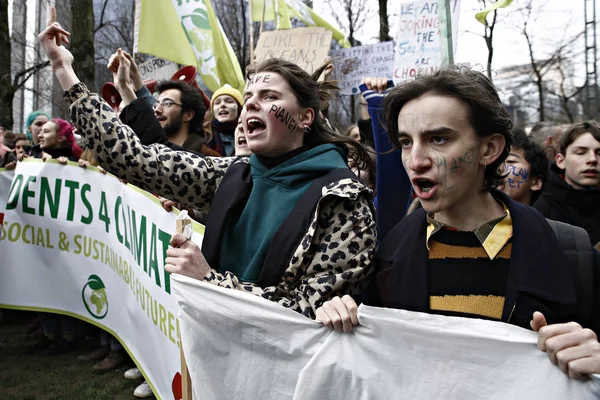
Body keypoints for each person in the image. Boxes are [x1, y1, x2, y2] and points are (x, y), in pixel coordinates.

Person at [39, 7, 376, 320]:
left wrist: (209, 280)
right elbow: (135, 160)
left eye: (270, 97)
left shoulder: (343, 199)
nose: (251, 107)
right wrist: (63, 68)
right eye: (248, 99)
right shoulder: (233, 173)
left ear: (305, 117)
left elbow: (309, 313)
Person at [317, 67, 600, 381]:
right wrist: (341, 319)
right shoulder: (384, 263)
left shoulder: (573, 255)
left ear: (489, 149)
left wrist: (595, 356)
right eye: (406, 142)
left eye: (438, 139)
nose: (416, 160)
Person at [533, 121, 600, 244]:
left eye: (599, 153)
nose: (592, 159)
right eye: (581, 152)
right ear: (561, 161)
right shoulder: (541, 212)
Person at [499, 128, 548, 206]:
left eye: (510, 161)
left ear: (535, 182)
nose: (499, 168)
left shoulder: (538, 218)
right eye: (495, 162)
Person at [206, 84, 244, 156]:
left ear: (239, 108)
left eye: (229, 101)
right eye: (217, 103)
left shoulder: (249, 134)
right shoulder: (204, 135)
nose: (222, 105)